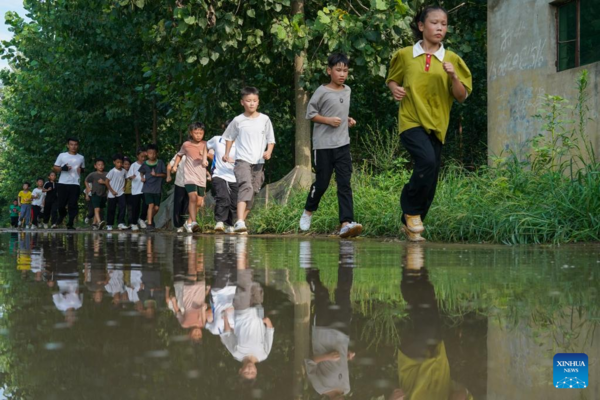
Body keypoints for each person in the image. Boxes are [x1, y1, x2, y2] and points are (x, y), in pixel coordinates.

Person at [386, 5, 472, 242]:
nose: (440, 28)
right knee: (426, 160)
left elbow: (461, 96)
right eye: (434, 23)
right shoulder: (405, 55)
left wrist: (454, 76)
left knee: (431, 175)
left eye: (443, 24)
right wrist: (395, 89)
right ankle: (411, 211)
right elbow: (392, 79)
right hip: (411, 120)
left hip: (437, 124)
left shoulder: (452, 59)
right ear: (422, 26)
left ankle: (412, 224)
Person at [299, 53, 363, 239]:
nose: (342, 74)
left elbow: (340, 111)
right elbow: (310, 114)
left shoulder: (347, 90)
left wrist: (347, 120)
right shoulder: (321, 91)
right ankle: (308, 211)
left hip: (343, 144)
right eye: (338, 70)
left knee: (344, 184)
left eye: (345, 70)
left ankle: (346, 222)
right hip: (323, 146)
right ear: (329, 71)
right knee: (322, 183)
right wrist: (327, 120)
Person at [304, 241, 356, 399]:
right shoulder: (346, 389)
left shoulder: (320, 388)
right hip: (342, 334)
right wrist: (346, 357)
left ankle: (310, 269)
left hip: (322, 331)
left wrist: (326, 357)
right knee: (344, 293)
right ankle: (346, 255)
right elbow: (340, 367)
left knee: (322, 295)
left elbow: (309, 362)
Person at [222, 87, 276, 234]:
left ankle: (239, 223)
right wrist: (227, 153)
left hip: (259, 161)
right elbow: (229, 137)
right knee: (246, 186)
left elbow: (271, 139)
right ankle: (239, 221)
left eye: (254, 101)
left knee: (254, 192)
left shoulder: (265, 119)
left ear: (258, 102)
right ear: (242, 102)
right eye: (248, 101)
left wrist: (268, 152)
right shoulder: (238, 120)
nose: (251, 104)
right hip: (242, 160)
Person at [220, 237, 274, 381]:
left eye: (246, 372)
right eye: (252, 373)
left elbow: (227, 335)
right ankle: (244, 249)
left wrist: (225, 316)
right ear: (256, 371)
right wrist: (267, 323)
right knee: (251, 279)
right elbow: (269, 334)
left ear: (240, 370)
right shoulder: (264, 355)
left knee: (243, 280)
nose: (250, 370)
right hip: (257, 310)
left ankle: (240, 247)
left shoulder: (236, 354)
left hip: (242, 310)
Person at [172, 122, 209, 233]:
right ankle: (194, 222)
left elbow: (212, 155)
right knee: (192, 198)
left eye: (201, 133)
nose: (198, 135)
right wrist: (175, 165)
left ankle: (188, 223)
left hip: (201, 177)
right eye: (196, 133)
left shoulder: (206, 144)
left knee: (199, 202)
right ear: (191, 133)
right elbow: (179, 154)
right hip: (189, 177)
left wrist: (205, 156)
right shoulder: (186, 145)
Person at [207, 121, 238, 233]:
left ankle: (231, 224)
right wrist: (204, 159)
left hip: (235, 176)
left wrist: (233, 161)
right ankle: (219, 222)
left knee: (234, 201)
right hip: (218, 174)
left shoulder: (241, 143)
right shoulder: (217, 139)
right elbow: (204, 146)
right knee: (223, 197)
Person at [53, 137, 85, 230]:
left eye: (75, 145)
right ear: (68, 145)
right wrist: (63, 168)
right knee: (61, 205)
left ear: (77, 146)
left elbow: (83, 169)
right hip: (62, 183)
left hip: (75, 184)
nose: (73, 147)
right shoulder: (62, 155)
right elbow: (55, 167)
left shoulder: (81, 157)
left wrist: (82, 170)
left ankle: (70, 223)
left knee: (73, 204)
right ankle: (62, 214)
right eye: (71, 144)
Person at [139, 144, 166, 230]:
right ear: (147, 153)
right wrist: (142, 178)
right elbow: (141, 172)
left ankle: (148, 218)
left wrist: (157, 174)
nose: (152, 155)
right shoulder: (144, 164)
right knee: (151, 205)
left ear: (157, 154)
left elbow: (164, 174)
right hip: (147, 188)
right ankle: (150, 224)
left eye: (154, 153)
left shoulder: (160, 162)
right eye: (150, 153)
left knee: (157, 208)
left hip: (157, 189)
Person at [166, 145, 189, 233]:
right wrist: (168, 175)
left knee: (187, 205)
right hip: (180, 183)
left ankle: (186, 223)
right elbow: (169, 165)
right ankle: (178, 225)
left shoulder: (194, 155)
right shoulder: (178, 156)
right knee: (178, 204)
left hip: (191, 183)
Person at [105, 153, 129, 231]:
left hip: (120, 192)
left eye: (121, 162)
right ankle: (109, 224)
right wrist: (112, 191)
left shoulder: (124, 171)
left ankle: (120, 223)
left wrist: (124, 186)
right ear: (114, 162)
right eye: (118, 162)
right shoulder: (112, 171)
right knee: (111, 209)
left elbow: (125, 179)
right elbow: (106, 182)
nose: (119, 164)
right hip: (112, 194)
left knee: (122, 207)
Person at [127, 146, 148, 231]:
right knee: (136, 207)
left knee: (146, 203)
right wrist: (132, 177)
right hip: (136, 190)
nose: (143, 158)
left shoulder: (147, 164)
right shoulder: (133, 165)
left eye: (144, 157)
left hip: (146, 188)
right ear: (137, 156)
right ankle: (134, 223)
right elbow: (128, 176)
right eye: (141, 156)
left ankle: (142, 219)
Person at [85, 158, 108, 230]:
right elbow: (86, 181)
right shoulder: (93, 174)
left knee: (99, 209)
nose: (100, 166)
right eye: (99, 165)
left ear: (104, 166)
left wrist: (103, 182)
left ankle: (94, 224)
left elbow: (109, 183)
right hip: (95, 194)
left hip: (103, 194)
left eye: (102, 165)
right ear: (95, 166)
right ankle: (99, 222)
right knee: (97, 209)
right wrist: (88, 188)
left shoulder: (107, 174)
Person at [123, 157, 133, 226]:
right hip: (122, 193)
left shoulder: (132, 172)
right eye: (125, 164)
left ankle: (130, 223)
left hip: (130, 192)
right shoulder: (120, 172)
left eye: (128, 164)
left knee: (130, 208)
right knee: (122, 208)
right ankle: (121, 222)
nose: (127, 166)